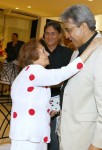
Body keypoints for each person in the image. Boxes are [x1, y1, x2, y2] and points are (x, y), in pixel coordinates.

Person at [9, 38, 101, 150]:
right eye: (43, 51)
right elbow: (63, 73)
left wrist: (46, 110)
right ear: (33, 56)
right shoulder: (34, 71)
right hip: (29, 135)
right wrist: (90, 48)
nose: (48, 53)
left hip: (29, 133)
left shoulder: (28, 73)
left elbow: (29, 101)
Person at [59, 4, 102, 150]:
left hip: (86, 140)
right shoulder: (78, 51)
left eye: (69, 30)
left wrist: (96, 145)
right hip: (70, 135)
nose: (66, 36)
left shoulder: (100, 53)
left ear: (83, 27)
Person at [40, 20, 73, 150]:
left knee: (54, 135)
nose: (49, 36)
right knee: (39, 132)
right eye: (47, 33)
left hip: (57, 99)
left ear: (60, 35)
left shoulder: (67, 53)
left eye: (53, 33)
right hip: (38, 97)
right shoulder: (38, 50)